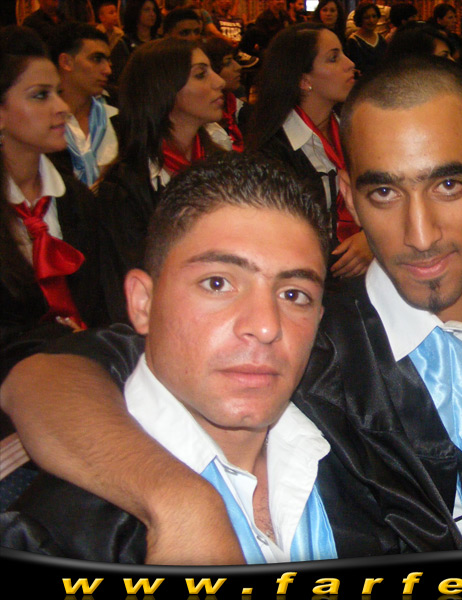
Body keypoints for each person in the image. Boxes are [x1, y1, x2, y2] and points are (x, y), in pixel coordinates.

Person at [1, 56, 462, 565]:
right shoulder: (315, 345)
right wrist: (179, 501)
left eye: (448, 185)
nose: (420, 234)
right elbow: (56, 371)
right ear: (349, 198)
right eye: (384, 192)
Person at [0, 153, 345, 563]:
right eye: (217, 283)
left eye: (293, 295)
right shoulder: (58, 536)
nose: (266, 325)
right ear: (142, 303)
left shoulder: (357, 453)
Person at [94, 37, 226, 324]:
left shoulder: (225, 167)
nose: (220, 82)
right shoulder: (124, 190)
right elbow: (128, 293)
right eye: (200, 75)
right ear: (164, 90)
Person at [1, 25, 105, 385]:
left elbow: (103, 303)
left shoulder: (77, 201)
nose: (61, 108)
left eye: (58, 93)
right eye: (40, 96)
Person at [246, 23, 371, 280]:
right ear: (304, 80)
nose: (350, 64)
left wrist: (372, 238)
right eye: (333, 58)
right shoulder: (273, 151)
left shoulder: (356, 128)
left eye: (343, 54)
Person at [49, 23, 118, 188]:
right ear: (66, 62)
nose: (107, 70)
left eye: (108, 61)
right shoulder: (42, 122)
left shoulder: (118, 113)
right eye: (97, 59)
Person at [202, 36, 250, 150]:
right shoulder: (199, 119)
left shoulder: (238, 108)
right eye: (227, 63)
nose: (238, 67)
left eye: (235, 60)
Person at [110, 0, 162, 85]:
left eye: (154, 10)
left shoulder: (160, 41)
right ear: (136, 12)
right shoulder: (124, 44)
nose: (152, 14)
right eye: (147, 10)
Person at [345, 2, 387, 78]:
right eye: (367, 17)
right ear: (360, 19)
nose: (371, 20)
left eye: (374, 16)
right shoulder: (354, 41)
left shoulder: (381, 39)